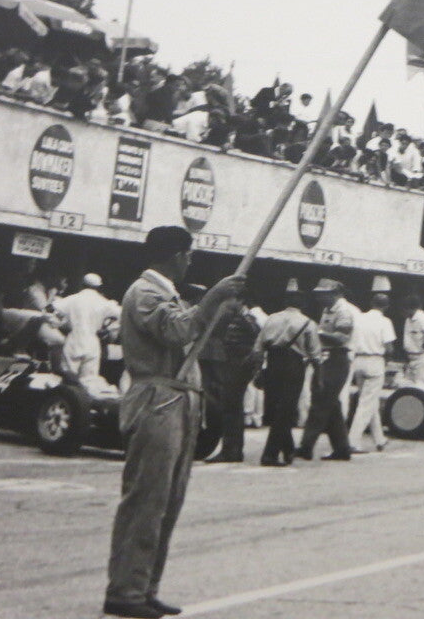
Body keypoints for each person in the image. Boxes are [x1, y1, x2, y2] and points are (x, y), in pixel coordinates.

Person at [104, 226, 244, 618]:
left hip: (177, 399)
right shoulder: (145, 292)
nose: (190, 262)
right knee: (147, 498)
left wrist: (217, 308)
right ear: (177, 255)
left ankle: (144, 587)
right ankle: (126, 590)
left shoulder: (166, 293)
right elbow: (176, 331)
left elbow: (189, 332)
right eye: (189, 255)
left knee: (168, 501)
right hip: (157, 400)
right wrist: (213, 296)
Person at [256, 280, 320, 466]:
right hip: (294, 365)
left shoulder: (272, 318)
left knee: (276, 408)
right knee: (286, 409)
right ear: (303, 305)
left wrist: (258, 370)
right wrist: (319, 375)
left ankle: (288, 449)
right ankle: (270, 455)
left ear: (285, 302)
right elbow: (315, 353)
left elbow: (258, 347)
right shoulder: (308, 322)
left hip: (272, 362)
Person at [297, 279, 359, 461]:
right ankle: (342, 448)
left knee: (320, 401)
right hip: (327, 358)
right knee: (331, 406)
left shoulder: (343, 311)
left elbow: (341, 338)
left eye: (323, 294)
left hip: (336, 358)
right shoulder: (328, 310)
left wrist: (316, 333)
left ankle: (306, 446)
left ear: (335, 294)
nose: (319, 298)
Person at [204, 297, 261, 463]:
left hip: (236, 366)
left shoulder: (242, 319)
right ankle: (233, 450)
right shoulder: (243, 318)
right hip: (236, 365)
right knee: (233, 409)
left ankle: (230, 451)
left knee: (231, 409)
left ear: (238, 301)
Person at [52, 273, 120, 396]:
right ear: (99, 287)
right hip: (93, 343)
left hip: (74, 339)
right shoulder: (104, 302)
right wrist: (108, 329)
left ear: (82, 285)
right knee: (89, 380)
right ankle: (86, 403)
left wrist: (59, 323)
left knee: (68, 377)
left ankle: (68, 401)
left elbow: (51, 309)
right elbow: (121, 315)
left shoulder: (72, 299)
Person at [348, 292, 395, 453]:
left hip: (358, 360)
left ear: (371, 303)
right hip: (375, 361)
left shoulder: (359, 318)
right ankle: (352, 442)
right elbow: (389, 348)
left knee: (369, 401)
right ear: (386, 307)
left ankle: (379, 439)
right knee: (366, 404)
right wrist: (387, 361)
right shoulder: (385, 321)